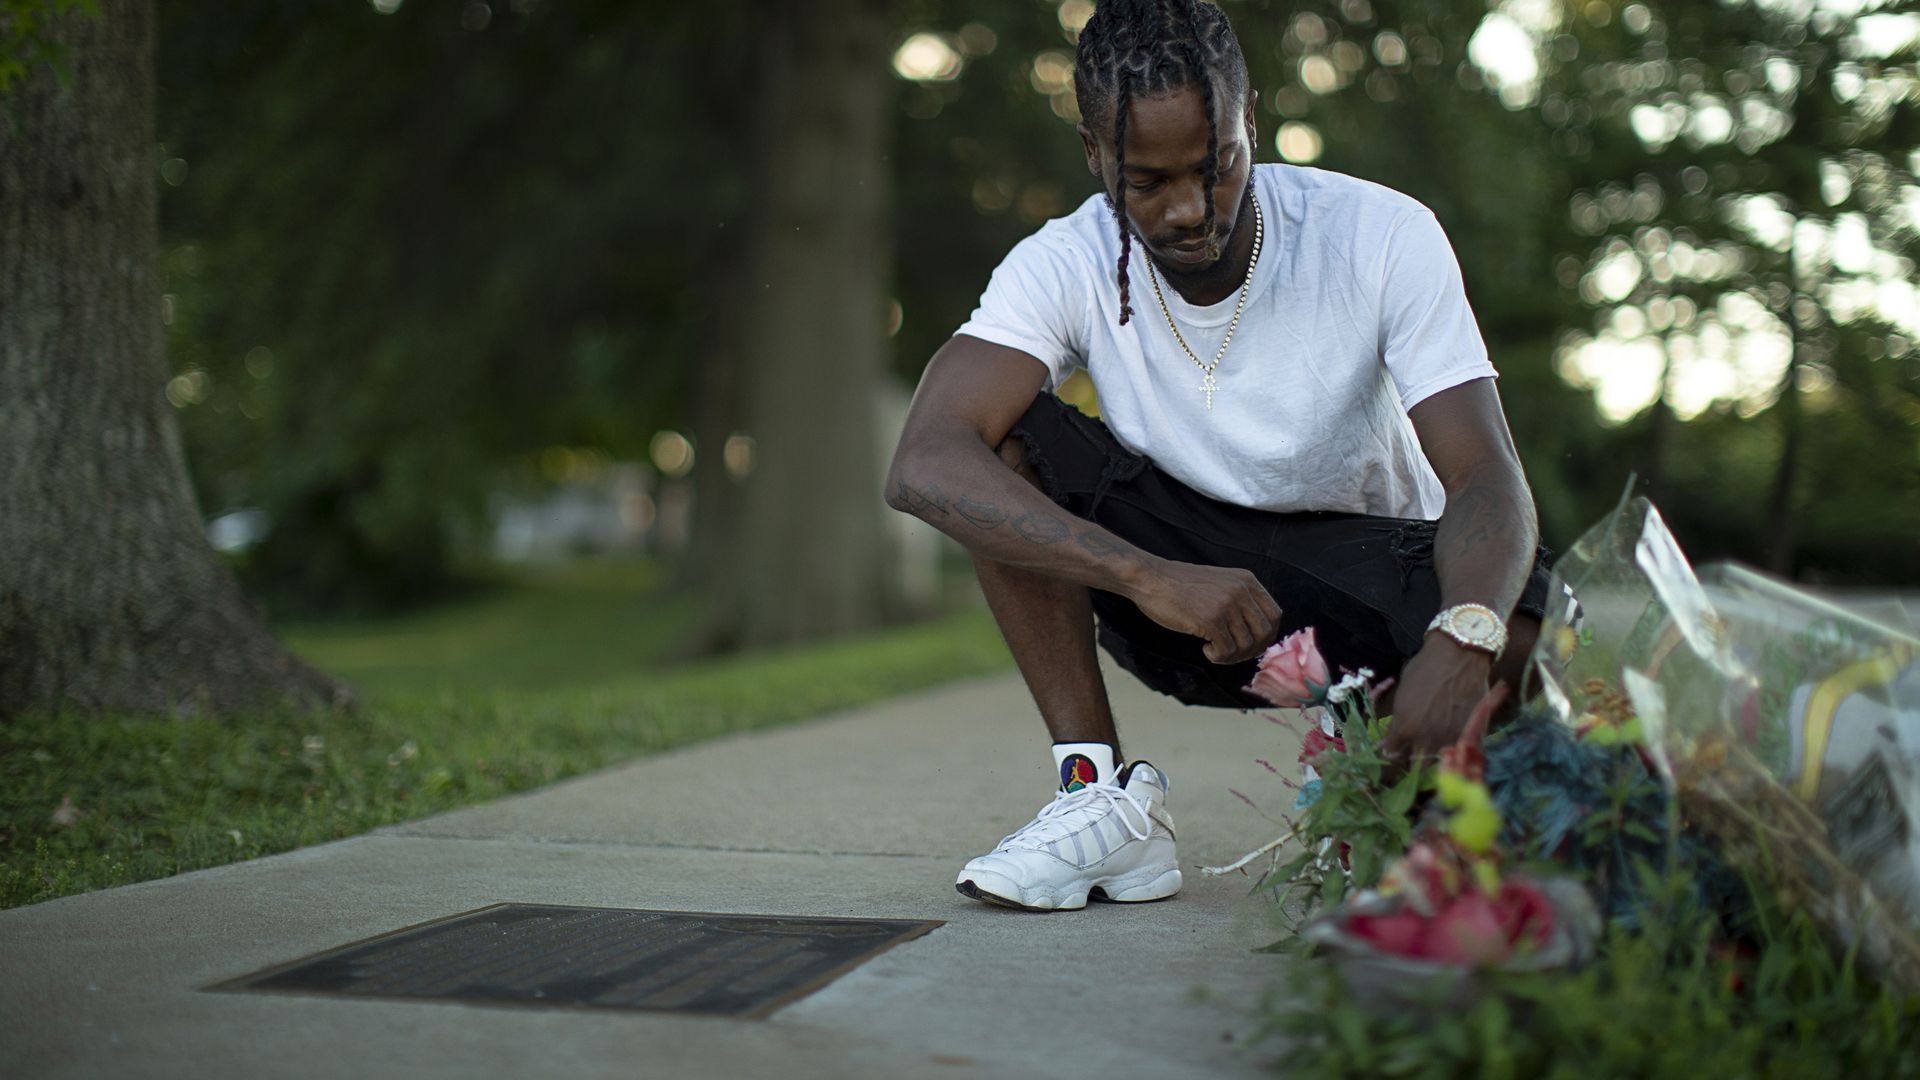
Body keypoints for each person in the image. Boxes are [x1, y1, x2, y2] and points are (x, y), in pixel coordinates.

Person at [885, 0, 1550, 912]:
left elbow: (1483, 474)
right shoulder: (1065, 262)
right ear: (1094, 154)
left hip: (1362, 578)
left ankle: (1403, 797)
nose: (1189, 210)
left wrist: (1462, 633)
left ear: (1252, 122)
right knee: (996, 446)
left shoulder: (1378, 234)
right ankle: (1098, 800)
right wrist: (1145, 575)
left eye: (1216, 166)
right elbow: (923, 461)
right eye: (1147, 182)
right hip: (1183, 593)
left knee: (1520, 628)